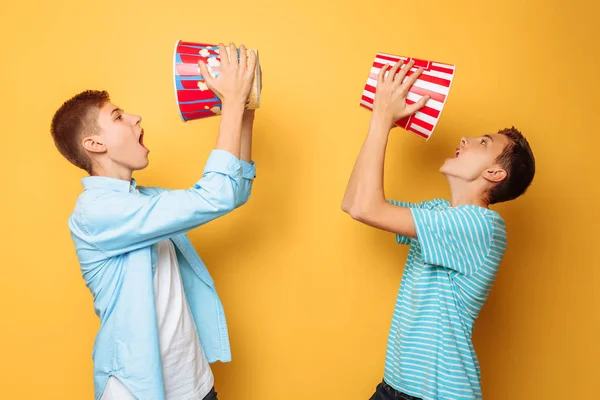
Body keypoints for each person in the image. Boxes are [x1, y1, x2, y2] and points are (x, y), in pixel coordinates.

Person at [50, 43, 258, 400]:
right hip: (140, 390)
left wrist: (242, 117)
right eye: (117, 116)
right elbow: (214, 195)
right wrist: (233, 103)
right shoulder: (95, 213)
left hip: (195, 384)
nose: (135, 119)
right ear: (94, 143)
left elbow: (232, 193)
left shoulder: (143, 200)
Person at [342, 59, 535, 400]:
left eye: (484, 143)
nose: (466, 138)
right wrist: (382, 126)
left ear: (494, 174)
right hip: (396, 387)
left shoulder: (482, 227)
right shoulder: (438, 215)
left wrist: (380, 120)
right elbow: (354, 202)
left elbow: (365, 207)